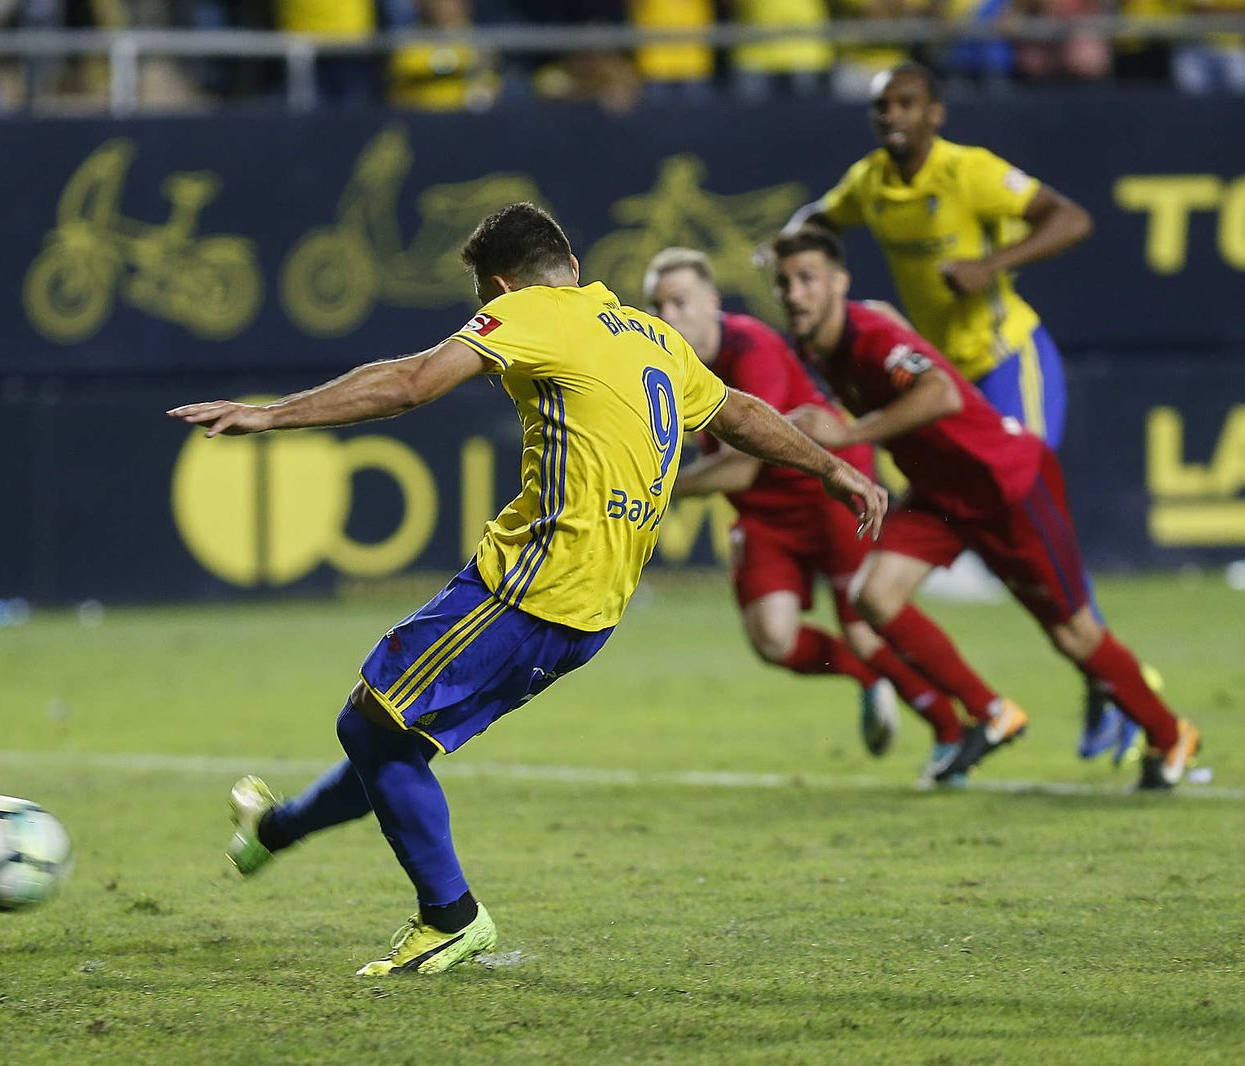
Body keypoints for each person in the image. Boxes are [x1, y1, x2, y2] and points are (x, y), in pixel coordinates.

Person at [170, 204, 887, 976]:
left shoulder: (527, 313)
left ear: (502, 287)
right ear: (574, 267)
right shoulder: (652, 335)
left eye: (486, 300)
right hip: (596, 608)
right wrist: (830, 465)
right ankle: (274, 832)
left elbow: (413, 382)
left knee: (372, 725)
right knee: (398, 737)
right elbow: (739, 413)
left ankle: (450, 917)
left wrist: (270, 415)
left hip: (532, 587)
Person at [781, 61, 1143, 765]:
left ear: (934, 114)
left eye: (907, 104)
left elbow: (1071, 218)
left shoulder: (968, 171)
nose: (892, 117)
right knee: (1009, 534)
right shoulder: (872, 185)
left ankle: (1114, 696)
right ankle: (1040, 697)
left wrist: (992, 264)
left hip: (1008, 361)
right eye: (882, 106)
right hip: (942, 378)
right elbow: (814, 222)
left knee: (1031, 515)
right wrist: (787, 252)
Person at [771, 228, 1201, 791]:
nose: (794, 293)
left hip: (1006, 484)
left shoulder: (870, 334)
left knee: (1073, 635)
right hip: (939, 494)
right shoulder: (814, 346)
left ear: (838, 283)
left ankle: (1171, 735)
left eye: (807, 279)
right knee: (874, 598)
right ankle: (990, 711)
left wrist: (852, 431)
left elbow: (942, 394)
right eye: (783, 282)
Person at [644, 247, 968, 778]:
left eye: (679, 302)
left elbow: (743, 466)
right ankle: (868, 680)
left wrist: (658, 488)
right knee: (774, 639)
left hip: (825, 496)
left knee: (866, 629)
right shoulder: (661, 364)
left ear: (711, 302)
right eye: (657, 305)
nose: (667, 317)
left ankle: (953, 731)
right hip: (763, 515)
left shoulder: (752, 349)